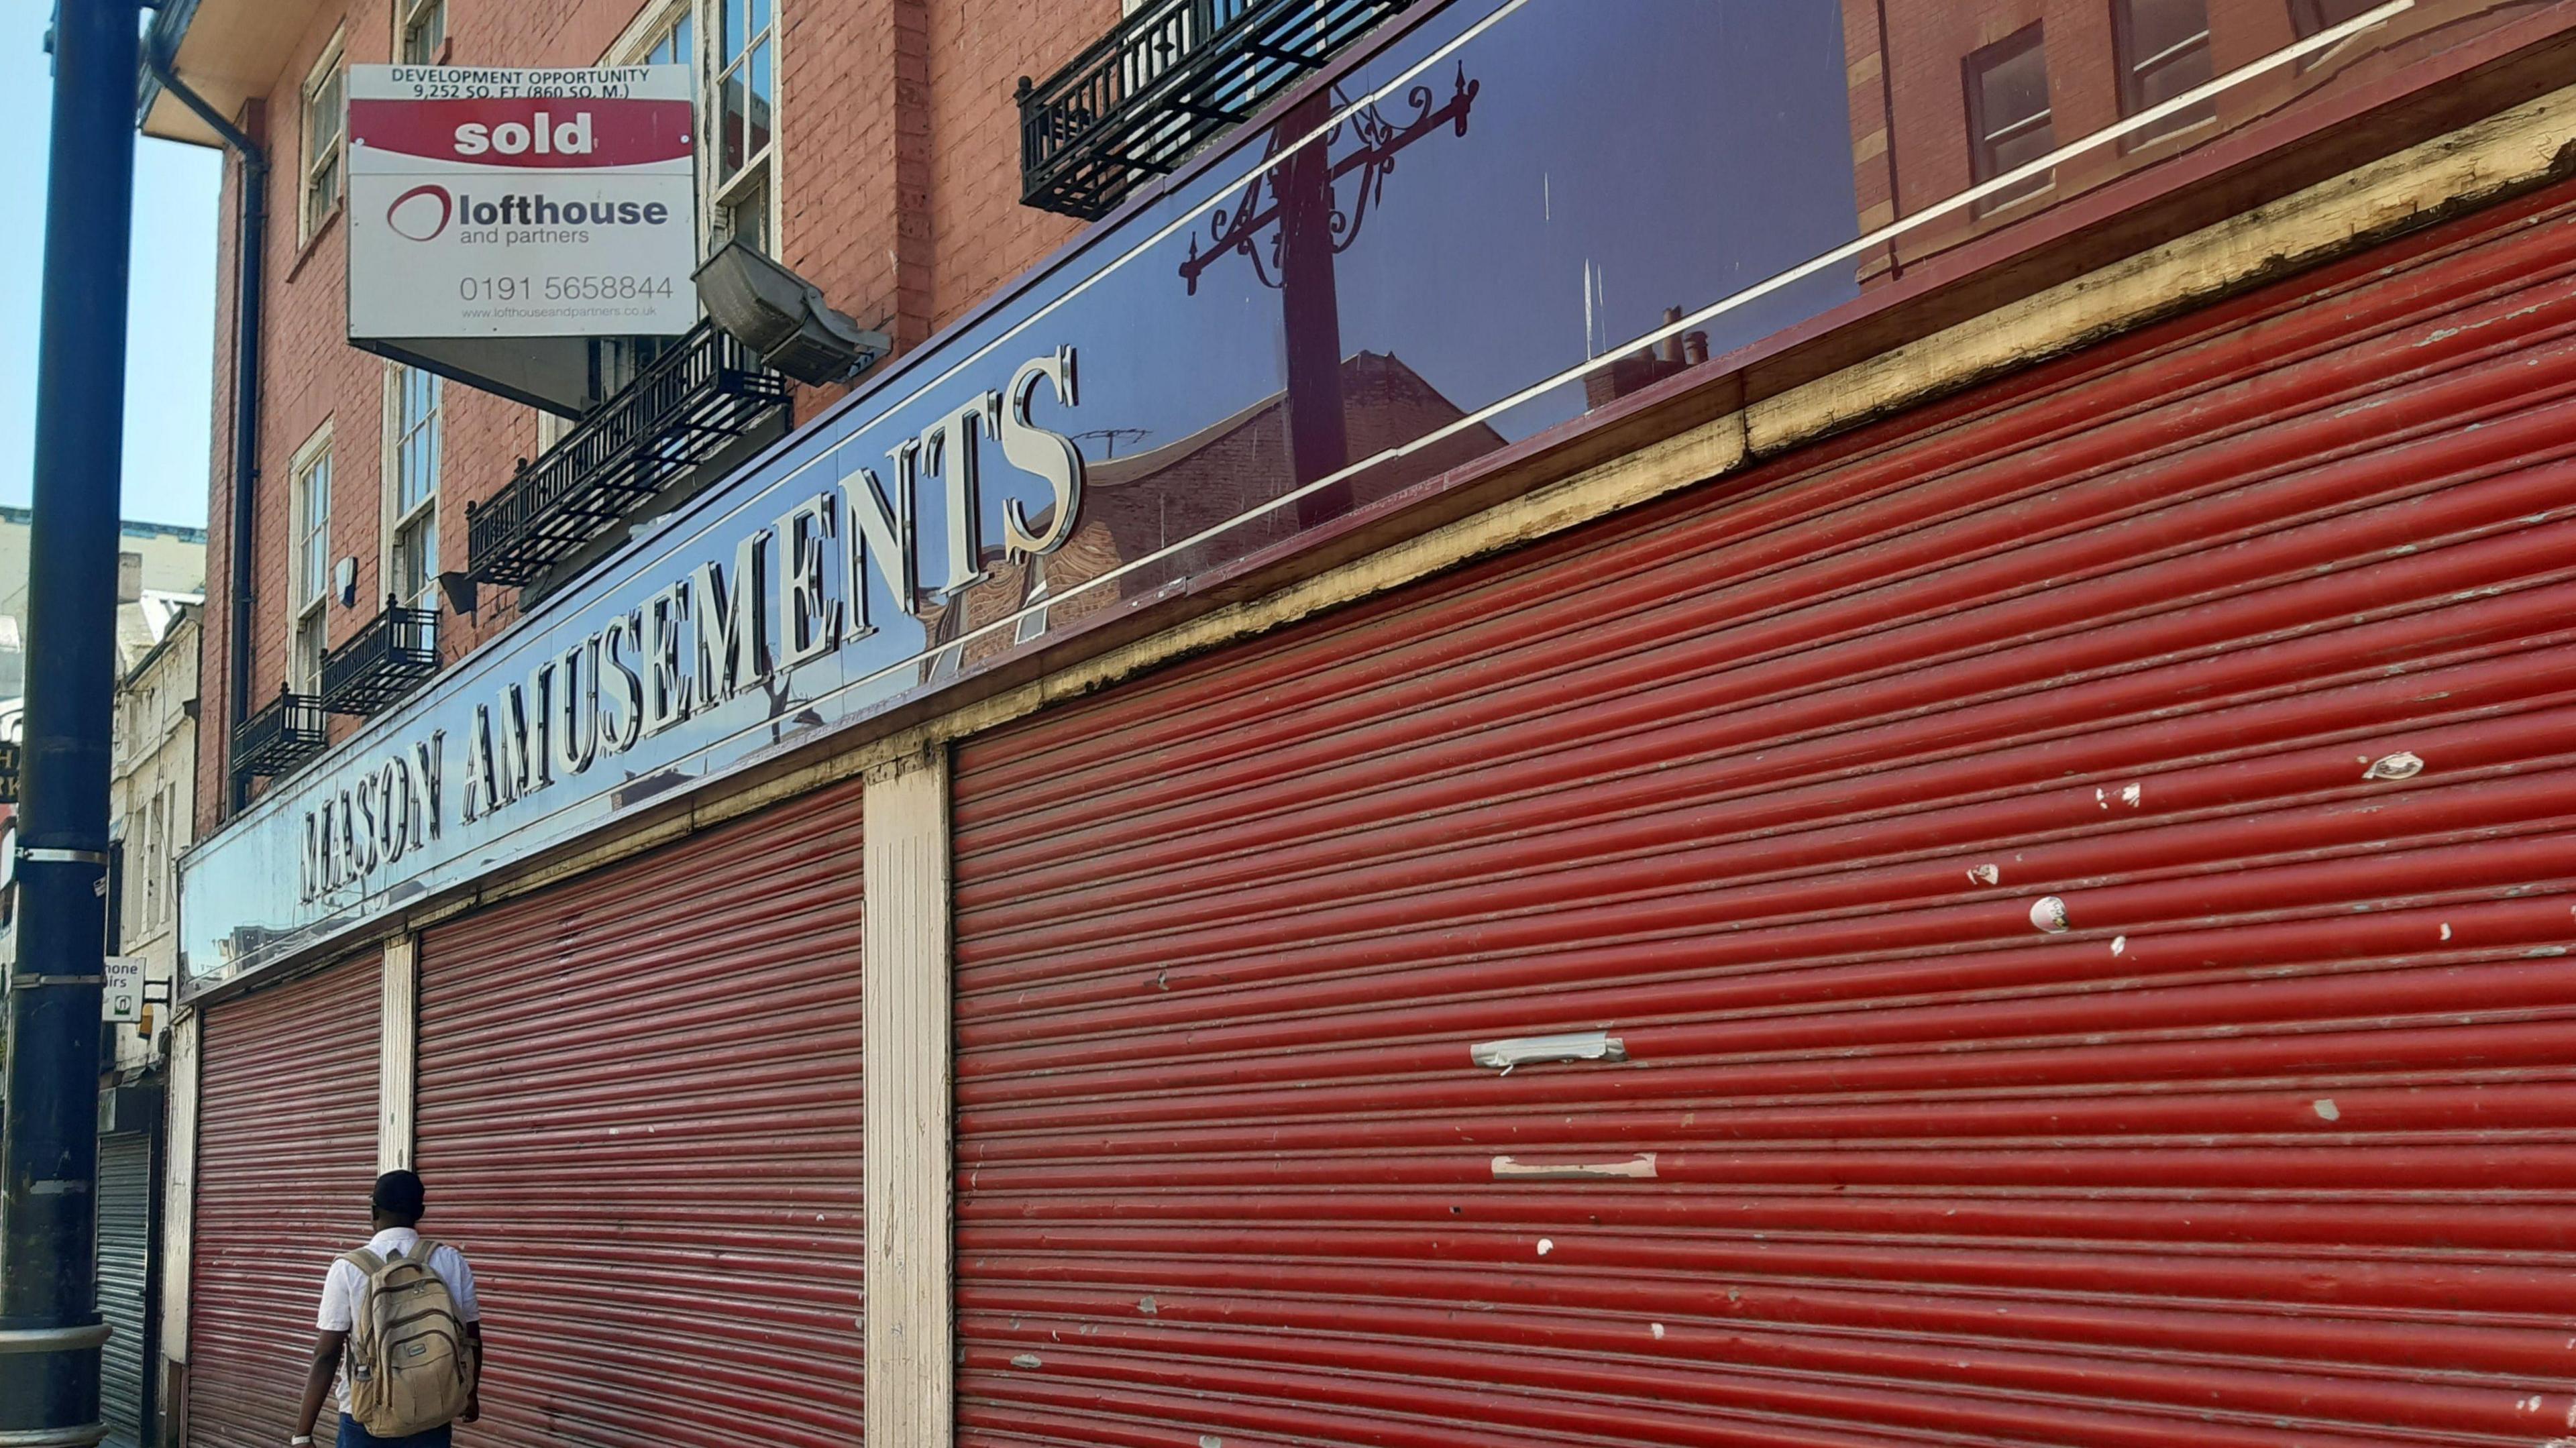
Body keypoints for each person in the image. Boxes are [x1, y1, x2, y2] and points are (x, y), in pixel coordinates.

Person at [292, 1170, 484, 1448]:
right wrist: (470, 1394)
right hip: (434, 1410)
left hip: (365, 1418)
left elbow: (326, 1354)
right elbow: (472, 1338)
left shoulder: (348, 1268)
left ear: (373, 1212)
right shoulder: (451, 1261)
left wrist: (303, 1433)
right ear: (420, 1211)